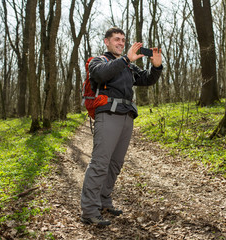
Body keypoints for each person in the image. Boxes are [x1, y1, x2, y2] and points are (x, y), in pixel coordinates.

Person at [81, 27, 163, 226]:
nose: (120, 42)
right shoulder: (99, 61)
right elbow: (100, 75)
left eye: (123, 40)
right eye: (116, 39)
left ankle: (104, 201)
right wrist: (126, 59)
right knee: (100, 163)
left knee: (115, 164)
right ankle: (89, 211)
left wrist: (157, 67)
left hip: (127, 117)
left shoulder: (128, 67)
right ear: (106, 41)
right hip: (108, 115)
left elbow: (146, 79)